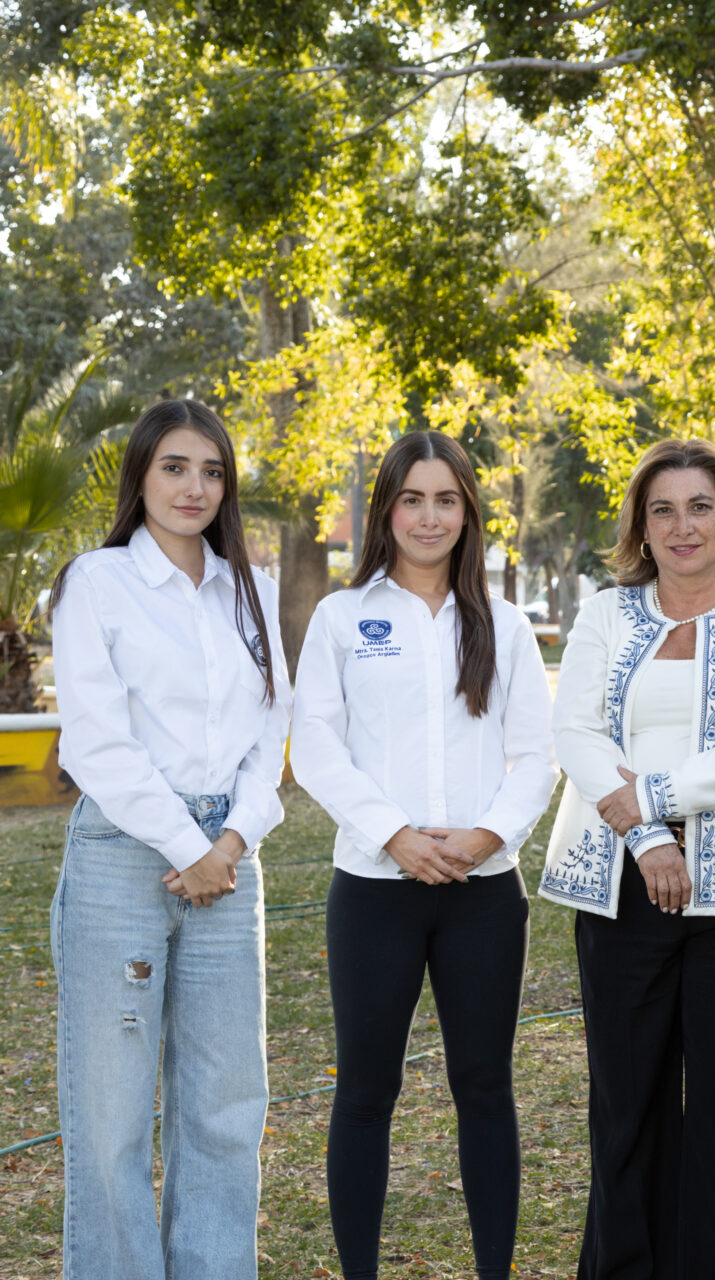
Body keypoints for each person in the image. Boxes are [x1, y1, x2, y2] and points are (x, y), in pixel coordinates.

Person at [537, 438, 715, 1280]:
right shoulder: (604, 615)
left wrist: (654, 794)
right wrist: (649, 837)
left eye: (700, 507)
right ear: (641, 526)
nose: (682, 526)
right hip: (624, 885)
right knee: (628, 1103)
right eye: (663, 509)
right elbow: (576, 731)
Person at [290, 431, 557, 1280]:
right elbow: (315, 745)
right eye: (412, 499)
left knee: (484, 1086)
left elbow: (536, 756)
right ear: (387, 510)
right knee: (366, 1092)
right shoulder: (342, 618)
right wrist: (394, 835)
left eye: (446, 500)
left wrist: (486, 837)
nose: (429, 517)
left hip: (484, 892)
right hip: (375, 888)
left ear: (468, 513)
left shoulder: (504, 625)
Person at [47, 399, 289, 1280]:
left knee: (227, 1105)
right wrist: (188, 846)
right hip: (125, 854)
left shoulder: (251, 588)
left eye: (212, 471)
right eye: (175, 467)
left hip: (229, 860)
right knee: (111, 1113)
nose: (195, 487)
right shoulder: (97, 581)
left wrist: (230, 840)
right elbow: (95, 742)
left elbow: (272, 728)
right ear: (141, 476)